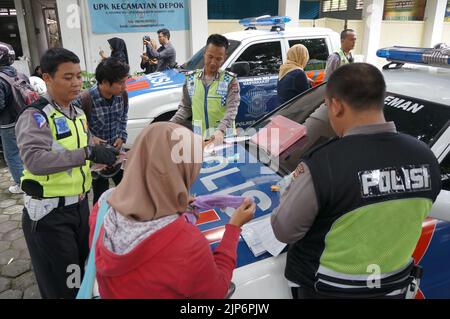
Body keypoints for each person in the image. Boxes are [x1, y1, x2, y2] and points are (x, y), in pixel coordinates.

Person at [271, 63, 442, 299]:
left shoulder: (324, 163)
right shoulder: (426, 158)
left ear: (337, 106)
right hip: (394, 289)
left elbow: (284, 230)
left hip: (328, 290)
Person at [89, 122, 256, 298]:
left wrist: (174, 204)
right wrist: (234, 227)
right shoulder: (186, 242)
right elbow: (217, 290)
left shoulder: (103, 205)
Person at [15, 48, 120, 299]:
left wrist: (103, 154)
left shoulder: (77, 113)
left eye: (78, 76)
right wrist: (87, 153)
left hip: (80, 208)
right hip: (50, 215)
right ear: (47, 78)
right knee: (63, 286)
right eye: (67, 77)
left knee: (81, 275)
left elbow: (79, 149)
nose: (76, 83)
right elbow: (35, 160)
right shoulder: (36, 116)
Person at [72, 57, 129, 204]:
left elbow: (123, 117)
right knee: (100, 196)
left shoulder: (122, 96)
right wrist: (91, 138)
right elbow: (76, 127)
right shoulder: (84, 100)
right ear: (104, 82)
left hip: (117, 153)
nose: (124, 86)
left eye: (125, 81)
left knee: (126, 191)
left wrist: (122, 136)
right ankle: (100, 224)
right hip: (97, 158)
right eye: (120, 83)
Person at [170, 34, 240, 145]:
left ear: (224, 57)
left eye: (218, 59)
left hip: (225, 139)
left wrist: (221, 130)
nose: (213, 62)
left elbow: (232, 109)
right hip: (200, 139)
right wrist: (170, 124)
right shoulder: (191, 79)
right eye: (210, 57)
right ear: (204, 53)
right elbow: (185, 108)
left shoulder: (230, 80)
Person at [0, 42, 25, 194]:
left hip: (8, 123)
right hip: (25, 118)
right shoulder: (19, 74)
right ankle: (29, 177)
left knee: (12, 155)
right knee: (24, 151)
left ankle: (21, 184)